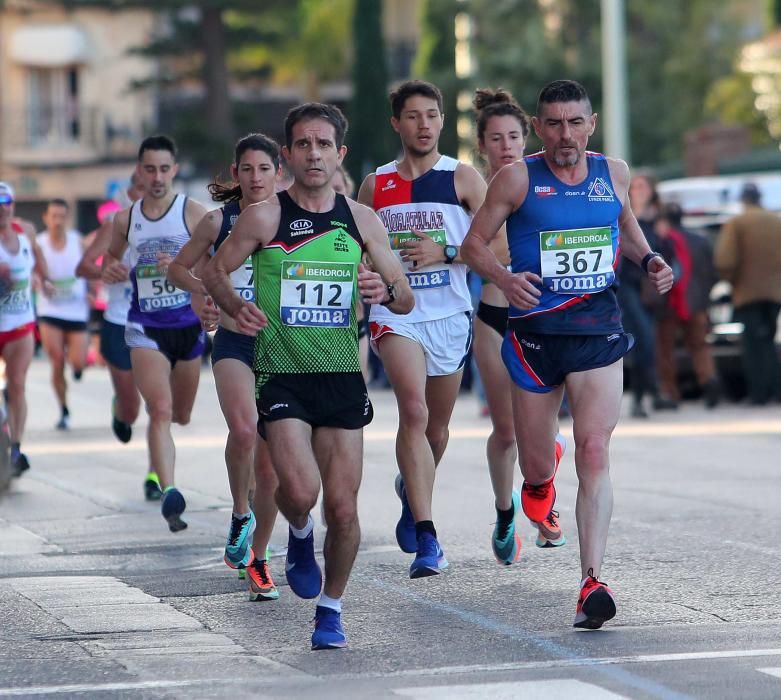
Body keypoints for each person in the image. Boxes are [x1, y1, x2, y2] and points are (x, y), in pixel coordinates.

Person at [461, 79, 673, 629]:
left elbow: (624, 226)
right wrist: (505, 281)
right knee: (535, 466)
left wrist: (649, 260)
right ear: (538, 128)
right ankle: (537, 482)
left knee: (595, 449)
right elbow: (472, 246)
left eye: (575, 123)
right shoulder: (516, 178)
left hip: (597, 331)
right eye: (553, 124)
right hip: (533, 338)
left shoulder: (614, 173)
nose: (565, 136)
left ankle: (591, 581)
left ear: (591, 125)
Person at [203, 102, 413, 650]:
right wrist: (234, 306)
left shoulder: (361, 220)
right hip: (282, 372)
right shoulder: (265, 215)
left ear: (339, 153)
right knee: (299, 491)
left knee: (343, 509)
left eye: (324, 144)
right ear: (288, 153)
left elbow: (405, 294)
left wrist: (384, 290)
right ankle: (298, 533)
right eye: (303, 144)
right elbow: (214, 269)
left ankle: (331, 609)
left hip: (342, 374)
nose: (314, 153)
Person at [357, 79, 486, 578]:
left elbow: (497, 248)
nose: (424, 124)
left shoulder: (464, 178)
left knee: (435, 427)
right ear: (397, 123)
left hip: (450, 315)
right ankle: (429, 539)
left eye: (432, 115)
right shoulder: (376, 185)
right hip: (396, 314)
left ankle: (411, 490)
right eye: (414, 116)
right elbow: (359, 248)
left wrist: (447, 252)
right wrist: (368, 277)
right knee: (411, 411)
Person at [168, 133, 282, 601]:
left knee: (273, 467)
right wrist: (206, 294)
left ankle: (258, 558)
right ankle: (240, 512)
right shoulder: (218, 221)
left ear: (280, 172)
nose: (256, 179)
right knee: (243, 430)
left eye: (264, 169)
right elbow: (178, 268)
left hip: (286, 347)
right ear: (235, 174)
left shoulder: (295, 218)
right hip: (235, 340)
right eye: (247, 170)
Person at [470, 88, 567, 566]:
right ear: (481, 145)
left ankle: (542, 496)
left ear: (526, 135)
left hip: (542, 319)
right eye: (495, 138)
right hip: (493, 316)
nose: (506, 145)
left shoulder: (540, 182)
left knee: (542, 429)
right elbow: (462, 247)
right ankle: (506, 510)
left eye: (513, 135)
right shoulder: (473, 190)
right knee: (507, 429)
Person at [103, 135, 208, 530]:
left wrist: (183, 269)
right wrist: (110, 267)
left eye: (165, 168)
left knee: (181, 413)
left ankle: (164, 477)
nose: (157, 176)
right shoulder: (126, 219)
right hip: (145, 326)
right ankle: (169, 491)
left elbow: (215, 267)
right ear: (139, 172)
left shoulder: (193, 213)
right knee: (160, 410)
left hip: (187, 326)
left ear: (175, 170)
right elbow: (110, 258)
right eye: (150, 169)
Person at [76, 178, 144, 451]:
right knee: (132, 410)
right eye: (139, 188)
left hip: (160, 322)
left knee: (161, 406)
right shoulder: (115, 225)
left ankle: (159, 477)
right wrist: (104, 272)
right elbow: (83, 267)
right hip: (119, 321)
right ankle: (122, 409)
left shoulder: (175, 224)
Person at [0, 182, 54, 475]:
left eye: (6, 202)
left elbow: (36, 257)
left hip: (20, 321)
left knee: (17, 382)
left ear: (13, 205)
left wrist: (43, 279)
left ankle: (17, 447)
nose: (2, 209)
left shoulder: (26, 231)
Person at [714, 182, 781, 404]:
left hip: (747, 294)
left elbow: (725, 259)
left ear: (743, 200)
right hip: (774, 294)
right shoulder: (776, 221)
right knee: (770, 341)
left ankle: (758, 394)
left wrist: (730, 281)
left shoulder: (737, 223)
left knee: (752, 346)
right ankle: (776, 391)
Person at [653, 202, 720, 408]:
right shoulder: (700, 241)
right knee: (700, 346)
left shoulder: (660, 241)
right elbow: (712, 273)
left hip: (668, 305)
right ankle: (708, 379)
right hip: (697, 304)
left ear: (664, 220)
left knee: (665, 350)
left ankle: (670, 392)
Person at [618, 174, 671, 417]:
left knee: (649, 343)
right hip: (628, 287)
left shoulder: (659, 221)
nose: (638, 190)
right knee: (643, 340)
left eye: (643, 186)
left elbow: (669, 253)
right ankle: (643, 397)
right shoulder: (623, 217)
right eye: (635, 186)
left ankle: (650, 393)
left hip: (651, 290)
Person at [35, 198, 90, 430]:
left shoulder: (78, 241)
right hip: (50, 309)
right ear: (46, 218)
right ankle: (64, 409)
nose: (58, 221)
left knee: (77, 361)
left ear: (67, 218)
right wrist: (39, 283)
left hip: (76, 310)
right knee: (56, 360)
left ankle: (77, 368)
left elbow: (91, 263)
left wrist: (95, 286)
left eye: (62, 216)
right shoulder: (38, 243)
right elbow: (31, 270)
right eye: (53, 216)